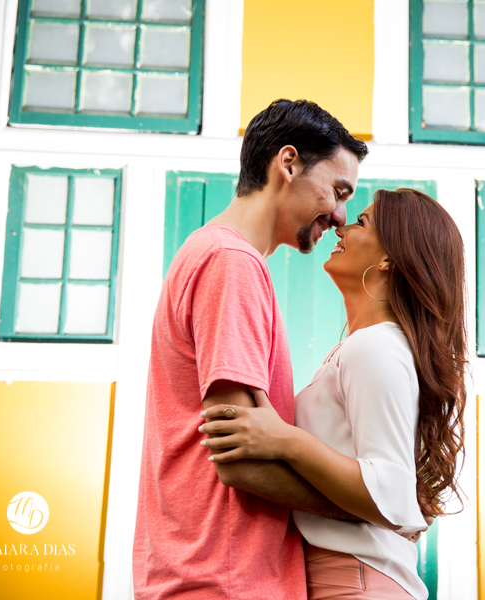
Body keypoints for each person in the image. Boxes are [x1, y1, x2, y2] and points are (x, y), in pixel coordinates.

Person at [133, 99, 369, 600]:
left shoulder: (219, 256)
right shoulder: (230, 263)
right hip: (222, 581)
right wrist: (369, 508)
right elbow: (239, 459)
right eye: (338, 190)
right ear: (287, 164)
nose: (342, 215)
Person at [199, 188, 469, 600]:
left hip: (355, 580)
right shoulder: (365, 347)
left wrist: (285, 440)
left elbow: (391, 492)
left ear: (387, 261)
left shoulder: (375, 346)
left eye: (362, 222)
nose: (342, 224)